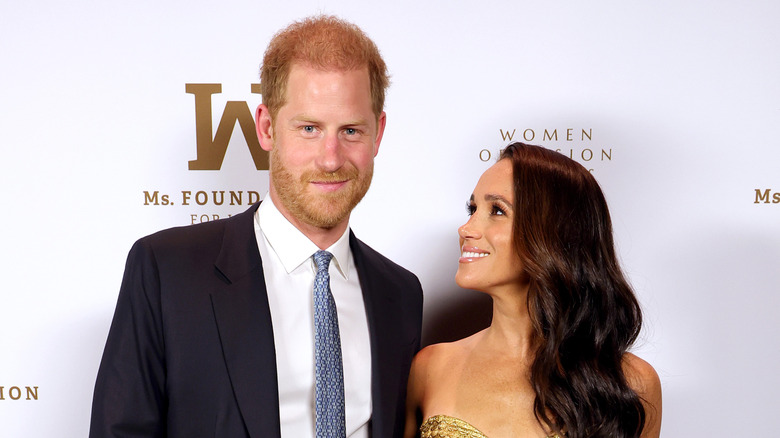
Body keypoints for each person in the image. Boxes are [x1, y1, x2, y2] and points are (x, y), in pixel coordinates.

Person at [89, 15, 423, 438]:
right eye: (308, 128)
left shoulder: (400, 294)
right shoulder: (167, 271)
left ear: (378, 135)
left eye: (352, 131)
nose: (331, 158)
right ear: (266, 127)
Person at [405, 142, 662, 438]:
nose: (466, 228)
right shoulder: (431, 368)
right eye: (472, 209)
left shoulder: (631, 383)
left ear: (553, 233)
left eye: (497, 211)